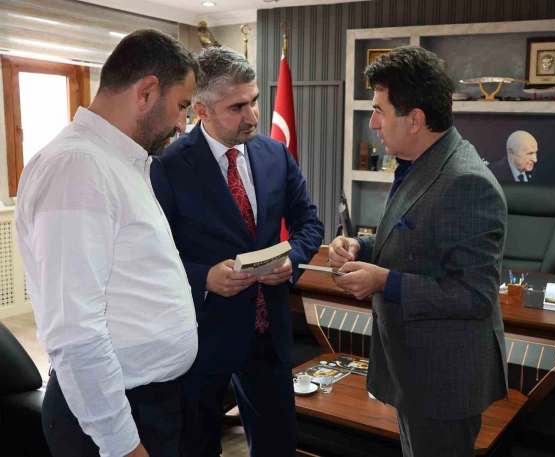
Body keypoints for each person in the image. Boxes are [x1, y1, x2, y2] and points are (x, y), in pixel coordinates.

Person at [14, 29, 200, 457]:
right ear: (146, 92)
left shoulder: (119, 160)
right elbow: (75, 331)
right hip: (113, 415)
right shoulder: (78, 167)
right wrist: (121, 443)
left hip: (146, 401)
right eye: (182, 106)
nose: (182, 124)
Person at [328, 45, 508, 457]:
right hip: (414, 371)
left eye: (379, 110)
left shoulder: (466, 183)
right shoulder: (420, 161)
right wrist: (361, 247)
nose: (373, 123)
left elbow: (474, 295)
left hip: (443, 382)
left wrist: (384, 282)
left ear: (415, 120)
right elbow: (412, 241)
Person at [150, 46, 324, 457]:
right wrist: (204, 277)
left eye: (254, 101)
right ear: (202, 111)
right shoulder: (166, 166)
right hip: (202, 336)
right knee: (198, 447)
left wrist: (292, 260)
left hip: (269, 333)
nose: (253, 117)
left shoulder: (275, 154)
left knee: (278, 446)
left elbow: (309, 223)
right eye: (237, 107)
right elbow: (152, 255)